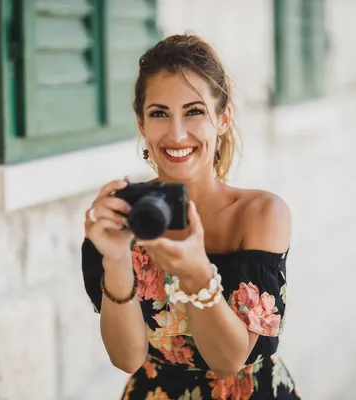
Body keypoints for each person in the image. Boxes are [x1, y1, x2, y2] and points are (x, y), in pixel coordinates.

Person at [81, 34, 300, 399]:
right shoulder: (122, 217)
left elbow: (228, 361)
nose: (177, 133)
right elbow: (128, 357)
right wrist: (116, 257)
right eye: (159, 114)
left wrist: (196, 271)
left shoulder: (260, 214)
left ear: (223, 118)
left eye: (194, 111)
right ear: (142, 125)